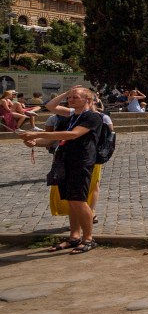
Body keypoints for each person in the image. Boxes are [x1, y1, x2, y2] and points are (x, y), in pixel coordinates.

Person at [22, 86, 105, 254]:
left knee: (79, 200)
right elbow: (51, 108)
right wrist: (33, 142)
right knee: (71, 201)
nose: (70, 100)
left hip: (81, 162)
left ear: (88, 100)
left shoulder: (92, 117)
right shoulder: (70, 116)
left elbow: (72, 135)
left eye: (75, 97)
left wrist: (38, 135)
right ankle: (74, 236)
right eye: (70, 97)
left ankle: (88, 239)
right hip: (64, 161)